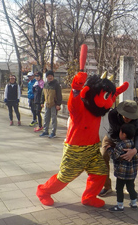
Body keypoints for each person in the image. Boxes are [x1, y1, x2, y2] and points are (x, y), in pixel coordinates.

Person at [36, 71, 128, 208]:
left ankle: (89, 197)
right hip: (75, 150)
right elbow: (74, 101)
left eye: (110, 97)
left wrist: (116, 92)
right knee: (64, 177)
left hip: (92, 149)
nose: (109, 101)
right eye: (106, 96)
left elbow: (107, 97)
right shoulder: (80, 108)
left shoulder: (97, 110)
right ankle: (43, 191)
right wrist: (76, 87)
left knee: (100, 172)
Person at [99, 100, 138, 197]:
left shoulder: (136, 118)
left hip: (127, 138)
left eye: (130, 116)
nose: (128, 118)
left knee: (130, 158)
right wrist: (117, 148)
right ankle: (106, 186)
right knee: (103, 157)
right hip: (112, 137)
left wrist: (135, 150)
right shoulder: (113, 114)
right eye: (126, 115)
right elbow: (114, 132)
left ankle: (129, 185)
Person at [107, 124, 138, 211]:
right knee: (131, 188)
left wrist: (109, 149)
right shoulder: (134, 146)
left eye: (120, 132)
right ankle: (134, 203)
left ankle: (120, 205)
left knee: (119, 188)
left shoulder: (120, 145)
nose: (119, 134)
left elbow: (114, 156)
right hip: (131, 173)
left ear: (124, 134)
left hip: (122, 173)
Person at [39, 70, 62, 138]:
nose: (50, 77)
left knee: (53, 118)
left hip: (54, 104)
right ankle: (45, 131)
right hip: (47, 103)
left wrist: (58, 104)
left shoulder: (56, 84)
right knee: (46, 117)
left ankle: (53, 132)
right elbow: (43, 94)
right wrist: (42, 102)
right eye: (48, 76)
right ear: (46, 77)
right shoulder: (45, 84)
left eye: (51, 76)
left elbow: (59, 95)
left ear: (53, 77)